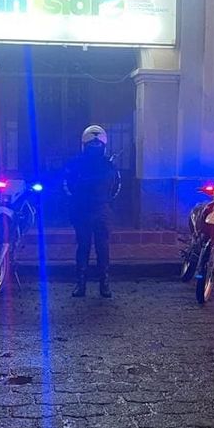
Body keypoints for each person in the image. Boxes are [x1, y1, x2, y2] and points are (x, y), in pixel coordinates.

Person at [63, 125, 121, 298]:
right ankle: (101, 285)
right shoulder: (108, 165)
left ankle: (85, 285)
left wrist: (77, 201)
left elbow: (67, 186)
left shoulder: (79, 164)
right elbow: (116, 189)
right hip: (95, 210)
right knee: (98, 247)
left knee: (86, 247)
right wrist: (105, 202)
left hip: (88, 210)